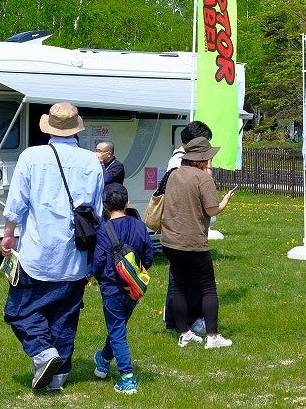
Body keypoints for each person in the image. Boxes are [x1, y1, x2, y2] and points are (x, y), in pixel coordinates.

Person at [1, 102, 105, 391]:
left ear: (49, 127)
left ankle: (44, 354)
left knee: (19, 310)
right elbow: (95, 211)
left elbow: (17, 202)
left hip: (39, 250)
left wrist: (8, 233)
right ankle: (57, 377)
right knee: (65, 315)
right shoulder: (91, 161)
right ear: (76, 130)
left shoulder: (31, 157)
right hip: (76, 253)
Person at [159, 135, 235, 349]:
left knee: (180, 287)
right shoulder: (203, 178)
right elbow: (212, 210)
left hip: (170, 240)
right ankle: (212, 336)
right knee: (208, 288)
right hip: (193, 242)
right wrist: (225, 201)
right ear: (203, 159)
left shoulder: (174, 174)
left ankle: (184, 333)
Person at [90, 182, 155, 395]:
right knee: (118, 327)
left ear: (105, 206)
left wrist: (95, 276)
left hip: (111, 289)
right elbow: (149, 256)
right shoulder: (139, 225)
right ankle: (103, 360)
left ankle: (127, 379)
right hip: (134, 288)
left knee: (117, 331)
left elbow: (98, 263)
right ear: (127, 203)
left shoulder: (102, 230)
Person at [163, 120, 212, 332]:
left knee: (182, 280)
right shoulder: (179, 164)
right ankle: (178, 321)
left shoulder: (178, 163)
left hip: (180, 230)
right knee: (183, 282)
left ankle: (178, 322)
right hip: (184, 231)